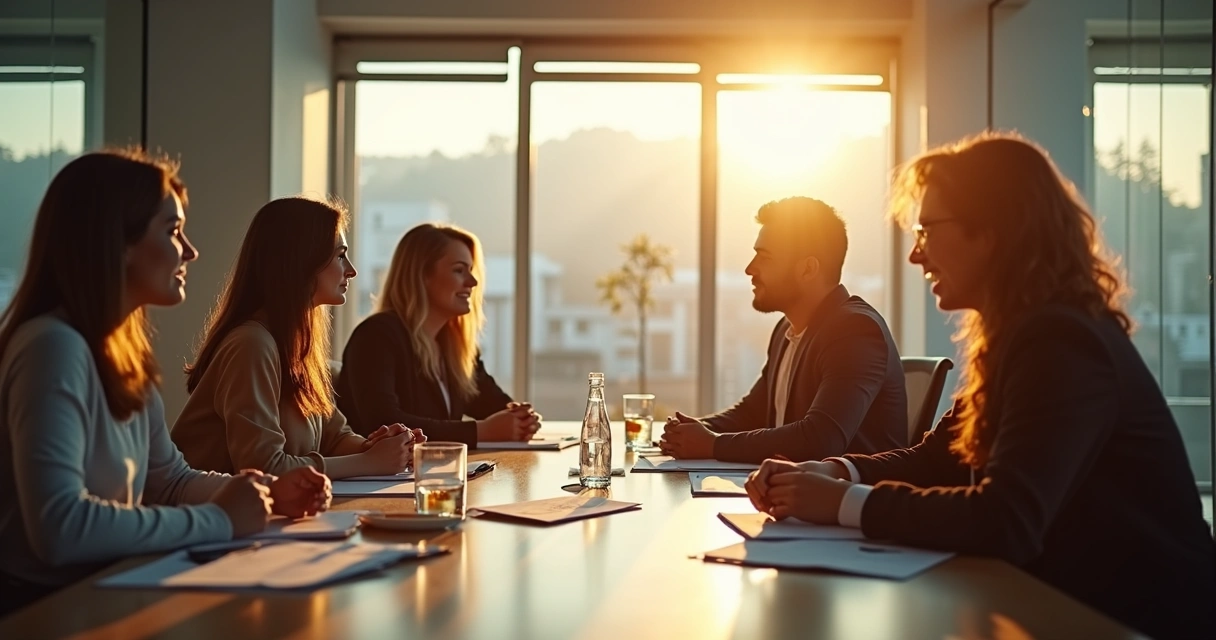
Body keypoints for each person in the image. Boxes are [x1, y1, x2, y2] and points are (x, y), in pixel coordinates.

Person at [744, 132, 1216, 640]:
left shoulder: (1060, 339)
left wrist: (840, 501)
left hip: (1137, 621)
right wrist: (836, 469)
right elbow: (936, 458)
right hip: (1057, 603)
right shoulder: (1018, 333)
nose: (916, 258)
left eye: (927, 232)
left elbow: (1005, 519)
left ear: (991, 231)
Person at [0, 150, 330, 614]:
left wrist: (263, 494)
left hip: (108, 590)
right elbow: (60, 529)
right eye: (173, 231)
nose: (191, 251)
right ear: (117, 242)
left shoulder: (121, 352)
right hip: (44, 610)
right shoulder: (51, 347)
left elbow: (168, 481)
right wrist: (217, 519)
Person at [172, 198, 422, 479]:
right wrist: (370, 462)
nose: (351, 269)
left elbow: (334, 437)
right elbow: (263, 467)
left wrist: (379, 448)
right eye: (340, 255)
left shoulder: (297, 346)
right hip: (214, 517)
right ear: (301, 261)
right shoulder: (251, 345)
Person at [661, 197, 906, 464]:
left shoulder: (855, 331)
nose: (750, 269)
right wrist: (689, 432)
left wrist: (712, 444)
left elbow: (820, 439)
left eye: (764, 257)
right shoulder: (786, 331)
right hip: (791, 492)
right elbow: (751, 413)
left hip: (840, 500)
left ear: (808, 269)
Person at [335, 223, 540, 447]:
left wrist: (521, 419)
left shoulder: (454, 345)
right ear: (422, 275)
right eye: (459, 270)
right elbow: (384, 423)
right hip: (379, 481)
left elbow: (496, 407)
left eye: (471, 270)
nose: (472, 282)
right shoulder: (376, 337)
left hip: (432, 474)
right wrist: (480, 431)